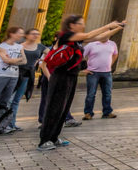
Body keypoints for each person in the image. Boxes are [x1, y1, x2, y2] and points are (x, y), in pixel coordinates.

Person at [38, 17, 125, 151]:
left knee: (63, 108)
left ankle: (54, 137)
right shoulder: (65, 35)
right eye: (80, 23)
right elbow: (90, 35)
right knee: (54, 107)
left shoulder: (76, 40)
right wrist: (109, 25)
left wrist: (118, 27)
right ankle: (44, 140)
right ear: (72, 25)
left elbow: (99, 37)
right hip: (60, 76)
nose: (83, 25)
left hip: (71, 77)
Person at [8, 28, 47, 132]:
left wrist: (42, 60)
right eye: (33, 34)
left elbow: (52, 54)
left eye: (37, 34)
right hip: (15, 73)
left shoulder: (40, 46)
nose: (35, 36)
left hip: (27, 75)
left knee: (16, 100)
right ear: (27, 35)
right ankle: (4, 123)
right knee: (9, 99)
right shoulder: (19, 46)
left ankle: (12, 123)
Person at [82, 36, 118, 120]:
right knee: (91, 94)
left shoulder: (112, 44)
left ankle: (107, 112)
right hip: (93, 73)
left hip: (107, 73)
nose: (106, 35)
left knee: (107, 94)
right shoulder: (91, 44)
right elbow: (80, 55)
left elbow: (115, 54)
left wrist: (110, 65)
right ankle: (88, 113)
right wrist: (84, 69)